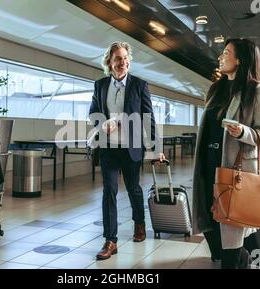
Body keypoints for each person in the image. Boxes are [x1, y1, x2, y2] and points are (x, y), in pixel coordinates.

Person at [191, 38, 260, 269]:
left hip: (234, 171)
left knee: (231, 230)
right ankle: (244, 259)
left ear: (240, 60)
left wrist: (242, 132)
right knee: (212, 225)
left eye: (226, 53)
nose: (220, 57)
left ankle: (236, 261)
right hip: (208, 167)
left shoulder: (257, 90)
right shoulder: (215, 89)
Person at [89, 41, 165, 260]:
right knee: (109, 191)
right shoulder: (100, 85)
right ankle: (110, 240)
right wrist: (102, 123)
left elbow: (148, 117)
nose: (122, 62)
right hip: (109, 149)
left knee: (133, 189)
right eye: (117, 59)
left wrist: (155, 148)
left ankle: (139, 223)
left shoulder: (139, 85)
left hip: (132, 148)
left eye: (124, 58)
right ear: (109, 63)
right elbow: (93, 112)